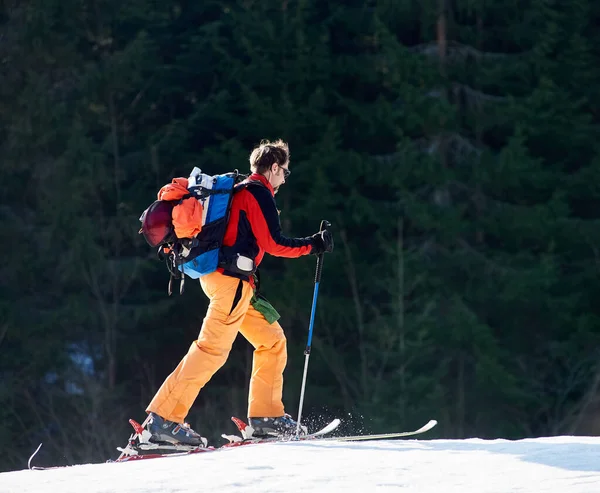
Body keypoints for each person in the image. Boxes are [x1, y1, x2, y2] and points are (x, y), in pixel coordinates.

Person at [145, 139, 334, 446]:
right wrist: (313, 245)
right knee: (211, 351)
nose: (285, 178)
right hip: (230, 284)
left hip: (226, 282)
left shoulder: (238, 190)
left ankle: (266, 417)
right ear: (273, 168)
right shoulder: (257, 193)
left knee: (272, 340)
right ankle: (162, 421)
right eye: (285, 171)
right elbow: (274, 243)